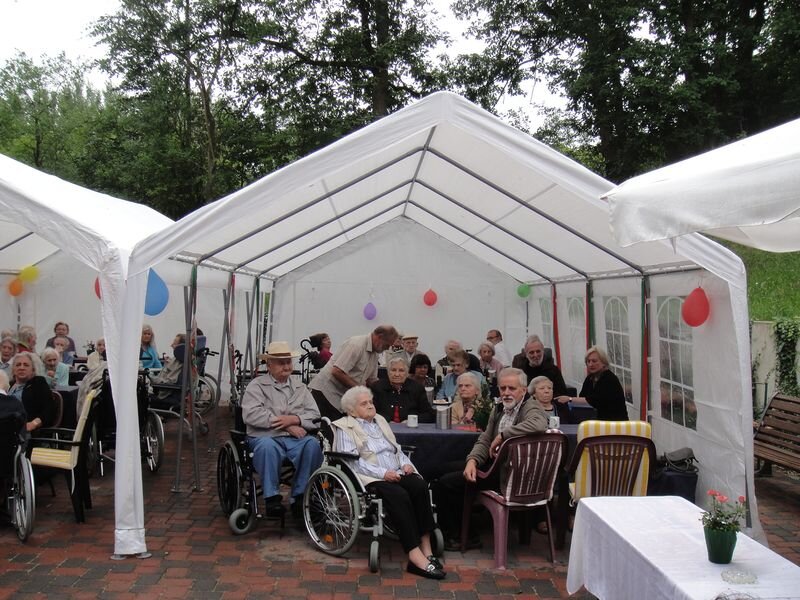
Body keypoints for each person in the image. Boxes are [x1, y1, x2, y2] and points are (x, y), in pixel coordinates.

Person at [333, 386, 445, 580]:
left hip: (396, 471)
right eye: (364, 403)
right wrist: (384, 473)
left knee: (420, 486)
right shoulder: (344, 427)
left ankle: (427, 548)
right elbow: (352, 462)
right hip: (370, 477)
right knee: (399, 495)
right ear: (351, 410)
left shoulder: (380, 421)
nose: (370, 405)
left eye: (371, 401)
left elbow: (396, 449)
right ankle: (414, 555)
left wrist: (406, 464)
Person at [433, 367, 548, 550]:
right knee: (436, 470)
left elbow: (539, 424)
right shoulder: (500, 407)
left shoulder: (531, 406)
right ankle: (443, 529)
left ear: (523, 390)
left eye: (512, 388)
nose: (506, 393)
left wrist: (503, 435)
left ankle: (465, 536)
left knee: (448, 483)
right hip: (492, 465)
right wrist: (472, 461)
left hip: (509, 474)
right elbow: (485, 439)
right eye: (503, 388)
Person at [242, 341, 323, 518]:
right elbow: (251, 414)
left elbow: (315, 416)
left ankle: (300, 496)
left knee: (312, 444)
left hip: (295, 439)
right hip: (265, 436)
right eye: (281, 363)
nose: (286, 366)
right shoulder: (256, 385)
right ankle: (271, 498)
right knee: (267, 447)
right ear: (269, 365)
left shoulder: (300, 387)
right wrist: (286, 425)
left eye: (288, 362)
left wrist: (296, 419)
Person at [309, 325, 399, 421]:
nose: (387, 348)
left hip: (342, 399)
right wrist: (359, 389)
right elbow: (337, 371)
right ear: (380, 337)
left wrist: (389, 389)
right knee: (329, 429)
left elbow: (372, 380)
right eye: (387, 345)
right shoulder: (356, 344)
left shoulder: (375, 354)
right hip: (325, 394)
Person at [558, 346, 629, 421]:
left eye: (594, 361)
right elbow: (582, 397)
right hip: (596, 420)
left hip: (615, 422)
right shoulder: (590, 379)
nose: (590, 364)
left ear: (604, 363)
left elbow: (594, 401)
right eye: (588, 361)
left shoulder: (610, 379)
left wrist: (569, 399)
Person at [370, 357, 434, 423]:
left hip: (410, 428)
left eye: (401, 371)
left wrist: (410, 421)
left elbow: (429, 414)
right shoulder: (377, 387)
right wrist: (386, 421)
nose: (397, 374)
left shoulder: (417, 388)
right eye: (393, 370)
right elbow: (370, 412)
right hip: (383, 426)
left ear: (407, 373)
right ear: (388, 372)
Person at [8, 352, 54, 430]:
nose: (21, 368)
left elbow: (49, 410)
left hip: (25, 428)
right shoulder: (9, 384)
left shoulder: (38, 383)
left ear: (33, 369)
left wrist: (34, 423)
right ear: (13, 369)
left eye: (26, 365)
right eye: (18, 365)